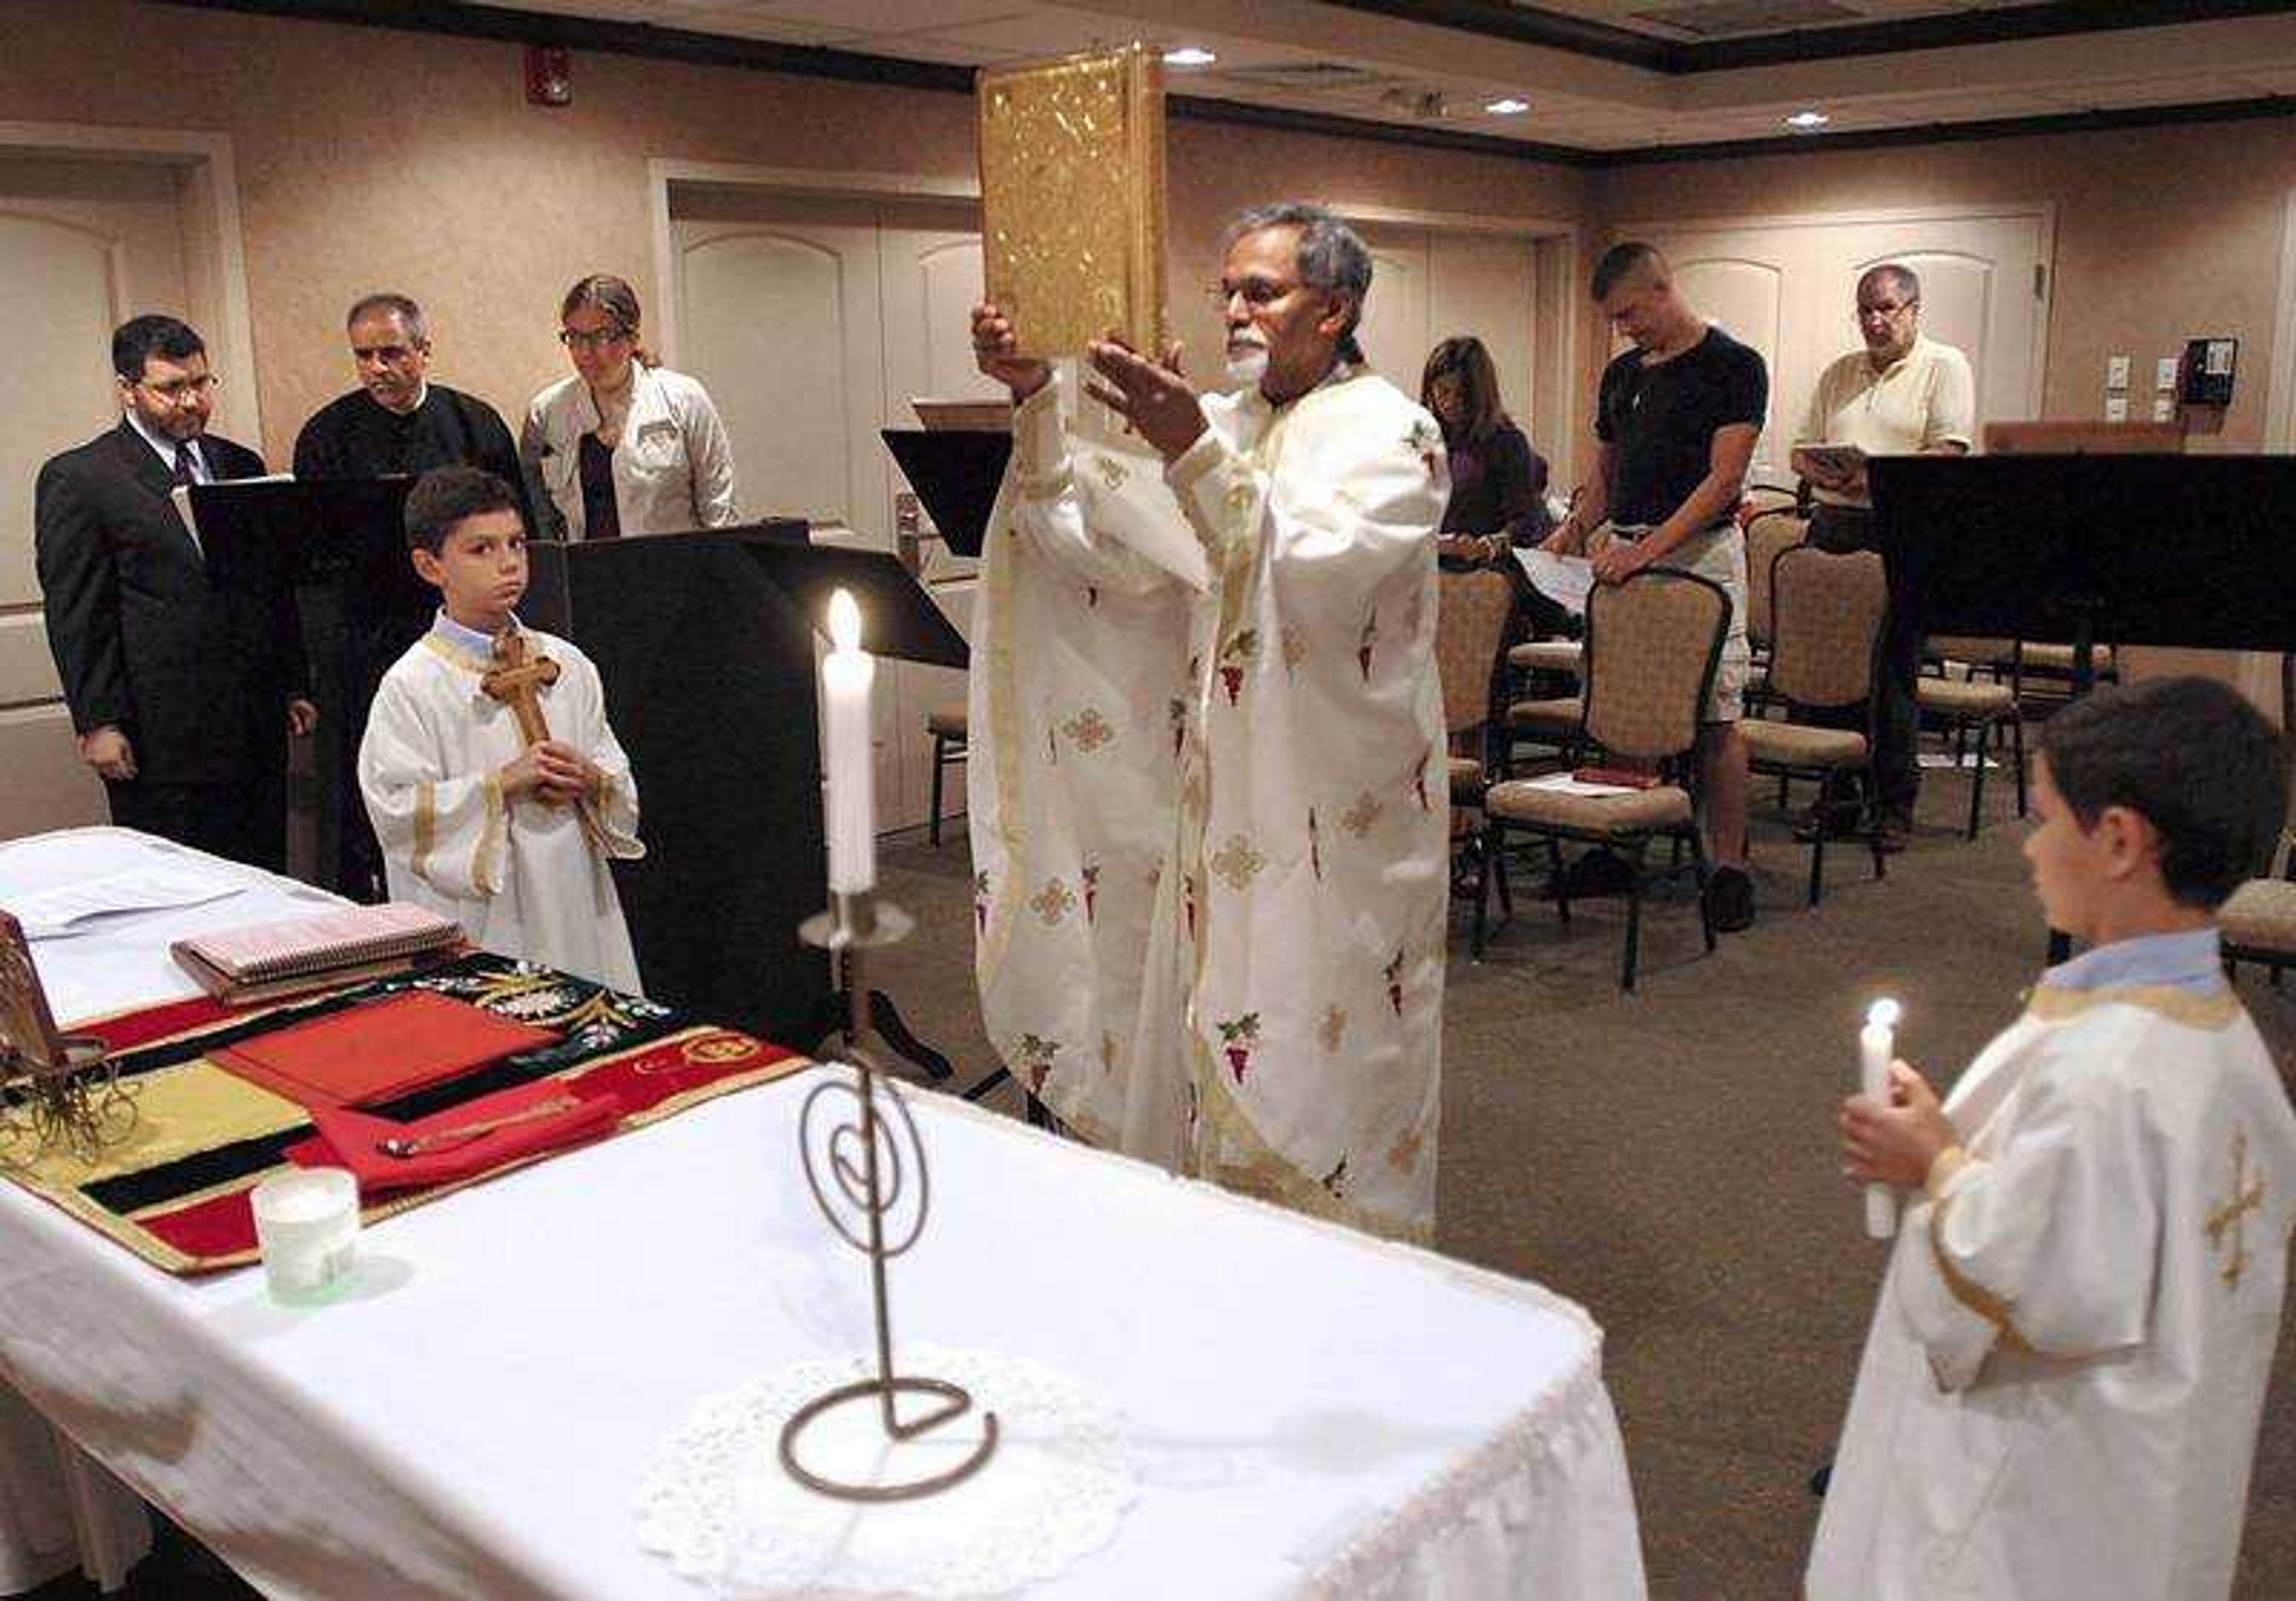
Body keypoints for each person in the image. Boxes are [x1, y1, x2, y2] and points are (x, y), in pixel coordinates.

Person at [967, 200, 1449, 1243]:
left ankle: (1341, 1275)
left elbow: (1316, 577)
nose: (1234, 308)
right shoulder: (1228, 421)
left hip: (1334, 814)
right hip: (1216, 796)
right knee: (1202, 1016)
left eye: (1262, 291)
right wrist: (1040, 397)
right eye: (1227, 287)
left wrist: (1186, 445)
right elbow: (1105, 553)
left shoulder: (1394, 433)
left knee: (1321, 1040)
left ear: (1337, 307)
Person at [1812, 677, 2296, 1600]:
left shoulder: (2108, 1068)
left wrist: (1936, 1164)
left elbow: (2037, 1282)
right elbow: (2099, 1226)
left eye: (2042, 821)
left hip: (2039, 1483)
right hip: (2148, 1459)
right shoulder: (2227, 1042)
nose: (2030, 848)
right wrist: (1963, 1142)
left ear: (2118, 839)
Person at [36, 314, 316, 870]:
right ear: (128, 390)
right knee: (176, 885)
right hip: (160, 734)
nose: (190, 401)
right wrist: (98, 721)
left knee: (263, 877)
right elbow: (78, 611)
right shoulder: (82, 478)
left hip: (253, 719)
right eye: (170, 389)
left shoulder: (239, 464)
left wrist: (292, 682)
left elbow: (269, 585)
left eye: (200, 384)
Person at [1540, 242, 1764, 930]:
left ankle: (1729, 866)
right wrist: (1573, 532)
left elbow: (1723, 479)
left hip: (1701, 557)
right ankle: (1621, 841)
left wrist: (1649, 550)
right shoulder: (1622, 374)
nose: (1625, 329)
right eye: (1615, 319)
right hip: (1628, 551)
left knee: (1716, 716)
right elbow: (1608, 469)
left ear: (1664, 290)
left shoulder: (1733, 366)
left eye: (1631, 313)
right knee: (1624, 708)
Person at [358, 466, 645, 991]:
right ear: (429, 566)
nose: (509, 563)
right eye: (481, 550)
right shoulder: (414, 685)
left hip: (573, 893)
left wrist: (593, 780)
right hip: (486, 911)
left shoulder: (566, 663)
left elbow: (614, 773)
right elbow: (397, 811)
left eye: (516, 543)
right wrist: (501, 784)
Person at [295, 292, 532, 901]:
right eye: (364, 356)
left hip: (470, 632)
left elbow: (519, 525)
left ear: (424, 351)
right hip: (367, 637)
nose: (378, 367)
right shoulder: (326, 434)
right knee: (372, 786)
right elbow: (312, 550)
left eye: (392, 352)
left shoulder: (474, 423)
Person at [1790, 265, 1976, 846]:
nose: (1875, 320)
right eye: (1866, 309)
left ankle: (1893, 804)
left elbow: (1949, 450)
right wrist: (1828, 469)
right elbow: (1799, 450)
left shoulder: (1944, 365)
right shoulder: (1840, 372)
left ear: (1914, 309)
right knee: (1831, 668)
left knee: (1890, 672)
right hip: (1833, 526)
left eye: (1887, 308)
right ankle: (1838, 795)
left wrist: (1877, 476)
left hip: (1901, 532)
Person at [521, 274, 738, 541]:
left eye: (602, 337)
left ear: (633, 337)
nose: (586, 352)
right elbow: (538, 516)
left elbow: (719, 509)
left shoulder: (684, 399)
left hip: (677, 573)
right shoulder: (547, 412)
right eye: (575, 338)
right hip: (588, 575)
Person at [1424, 335, 1552, 561]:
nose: (1450, 403)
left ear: (1480, 395)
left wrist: (1491, 544)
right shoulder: (1424, 437)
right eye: (1442, 391)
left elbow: (1525, 522)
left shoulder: (1507, 442)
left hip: (1482, 560)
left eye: (1462, 395)